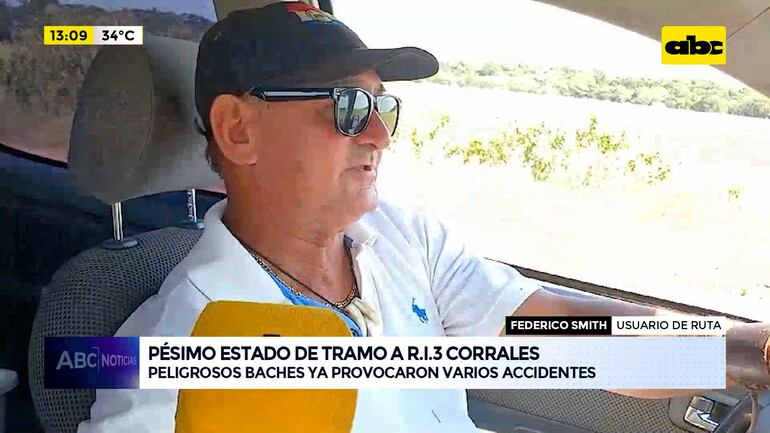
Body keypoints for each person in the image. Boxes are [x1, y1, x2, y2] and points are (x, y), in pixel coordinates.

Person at [78, 3, 742, 432]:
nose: (379, 135)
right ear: (238, 129)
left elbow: (559, 333)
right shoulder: (172, 357)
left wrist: (742, 349)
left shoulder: (400, 239)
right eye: (347, 106)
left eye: (383, 107)